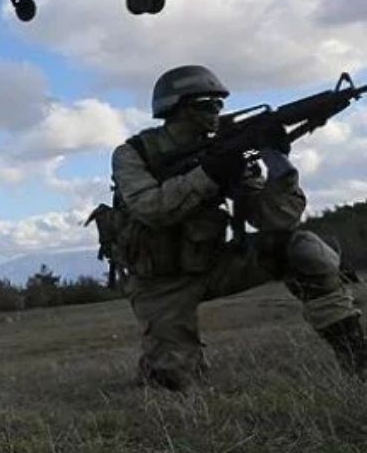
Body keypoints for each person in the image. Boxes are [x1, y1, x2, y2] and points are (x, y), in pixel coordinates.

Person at [111, 64, 366, 391]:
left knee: (303, 248)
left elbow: (275, 220)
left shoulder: (223, 152)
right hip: (159, 284)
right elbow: (151, 209)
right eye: (205, 104)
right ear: (175, 109)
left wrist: (279, 166)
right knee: (173, 385)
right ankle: (160, 367)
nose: (215, 113)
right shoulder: (134, 154)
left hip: (213, 265)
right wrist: (211, 174)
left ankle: (357, 359)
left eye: (219, 104)